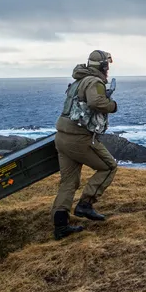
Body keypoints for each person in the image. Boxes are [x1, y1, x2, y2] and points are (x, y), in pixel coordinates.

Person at [52, 50, 120, 240]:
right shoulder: (94, 82)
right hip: (79, 138)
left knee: (68, 182)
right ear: (103, 66)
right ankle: (86, 204)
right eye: (107, 65)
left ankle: (60, 226)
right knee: (108, 166)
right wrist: (112, 105)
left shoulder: (78, 81)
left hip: (62, 136)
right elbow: (96, 102)